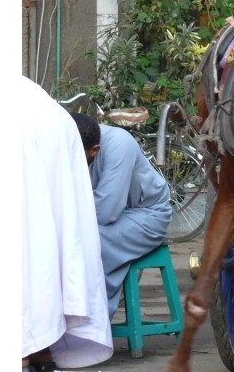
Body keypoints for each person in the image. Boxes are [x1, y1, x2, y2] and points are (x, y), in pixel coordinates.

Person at [21, 76, 113, 372]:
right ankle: (41, 346)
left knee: (27, 235)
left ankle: (23, 346)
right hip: (48, 120)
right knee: (47, 233)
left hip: (24, 125)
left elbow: (111, 207)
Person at [70, 112, 172, 318]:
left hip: (149, 215)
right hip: (112, 216)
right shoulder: (70, 141)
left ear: (94, 150)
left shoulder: (119, 144)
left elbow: (107, 211)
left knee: (87, 240)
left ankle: (89, 316)